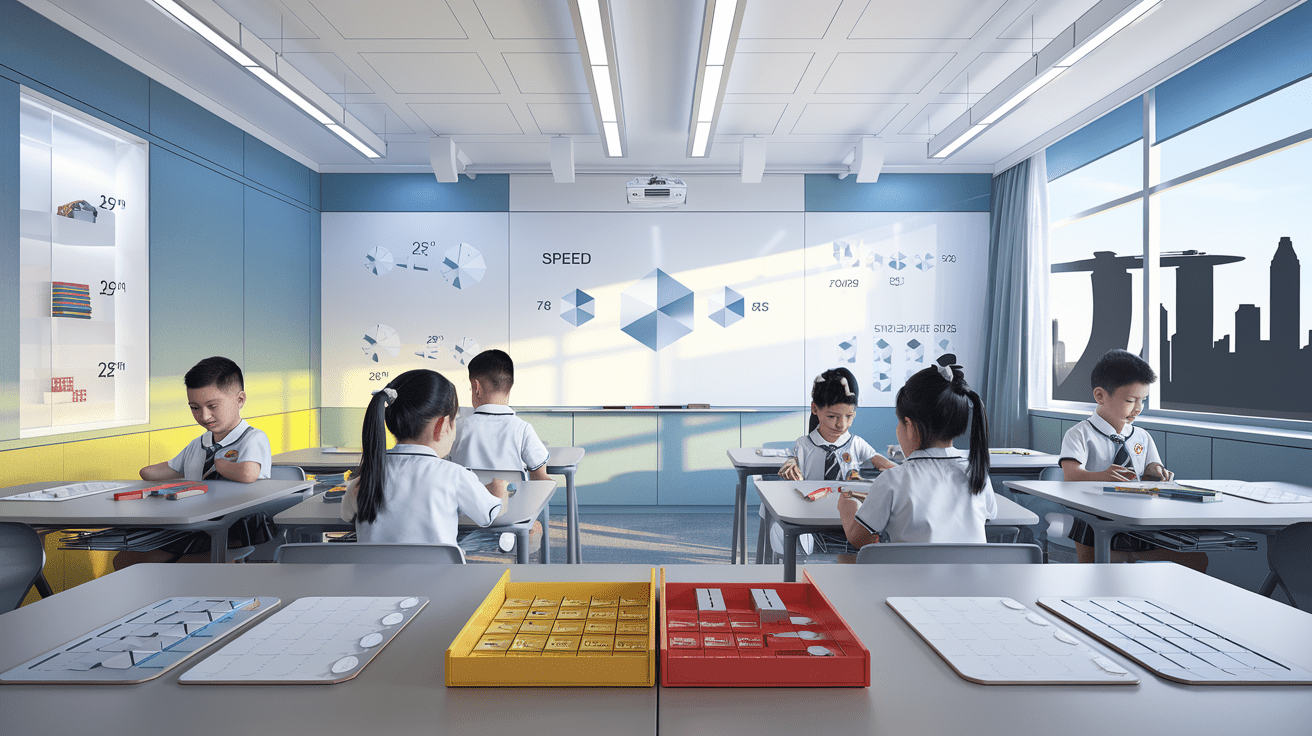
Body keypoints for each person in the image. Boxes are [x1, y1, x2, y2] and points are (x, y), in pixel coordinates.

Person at [115, 356, 274, 568]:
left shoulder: (252, 438)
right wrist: (145, 475)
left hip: (235, 529)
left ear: (240, 400)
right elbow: (165, 470)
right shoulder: (199, 444)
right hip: (195, 525)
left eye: (212, 406)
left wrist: (220, 464)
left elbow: (248, 474)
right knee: (126, 561)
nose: (204, 416)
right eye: (194, 407)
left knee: (178, 569)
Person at [1057, 349, 1207, 571]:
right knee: (1094, 567)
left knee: (1197, 559)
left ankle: (1130, 558)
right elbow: (1071, 475)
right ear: (1100, 396)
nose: (1138, 408)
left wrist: (1156, 472)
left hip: (1136, 514)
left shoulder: (1141, 436)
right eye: (1130, 400)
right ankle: (1123, 559)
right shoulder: (1079, 434)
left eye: (1143, 400)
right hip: (1095, 516)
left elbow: (1149, 472)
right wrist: (1101, 477)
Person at [837, 363, 997, 548]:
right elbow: (990, 515)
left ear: (910, 427)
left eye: (899, 422)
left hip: (911, 577)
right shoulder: (977, 474)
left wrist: (848, 509)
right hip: (971, 577)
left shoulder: (893, 479)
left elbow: (859, 540)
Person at [340, 368, 508, 545]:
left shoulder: (365, 479)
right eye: (454, 419)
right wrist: (499, 490)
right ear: (442, 425)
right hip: (438, 573)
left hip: (372, 573)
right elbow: (489, 515)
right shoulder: (454, 475)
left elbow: (345, 515)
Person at [766, 368, 895, 555]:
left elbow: (882, 463)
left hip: (848, 519)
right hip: (813, 519)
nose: (841, 424)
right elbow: (792, 462)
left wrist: (903, 470)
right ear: (815, 409)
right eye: (832, 416)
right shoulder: (804, 444)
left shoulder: (856, 444)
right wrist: (791, 464)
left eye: (848, 416)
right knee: (783, 533)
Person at [446, 349, 551, 552]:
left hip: (463, 522)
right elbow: (542, 481)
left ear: (476, 388)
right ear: (509, 386)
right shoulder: (523, 429)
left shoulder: (457, 428)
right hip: (511, 522)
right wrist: (530, 518)